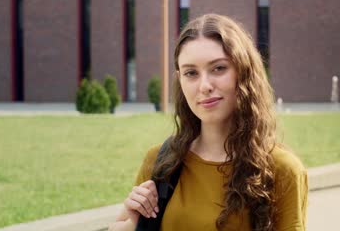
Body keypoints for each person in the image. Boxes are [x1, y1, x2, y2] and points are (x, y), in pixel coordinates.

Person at [108, 14, 308, 231]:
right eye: (191, 73)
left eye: (218, 68)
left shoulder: (283, 170)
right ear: (180, 79)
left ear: (243, 72)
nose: (204, 86)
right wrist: (133, 222)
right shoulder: (160, 162)